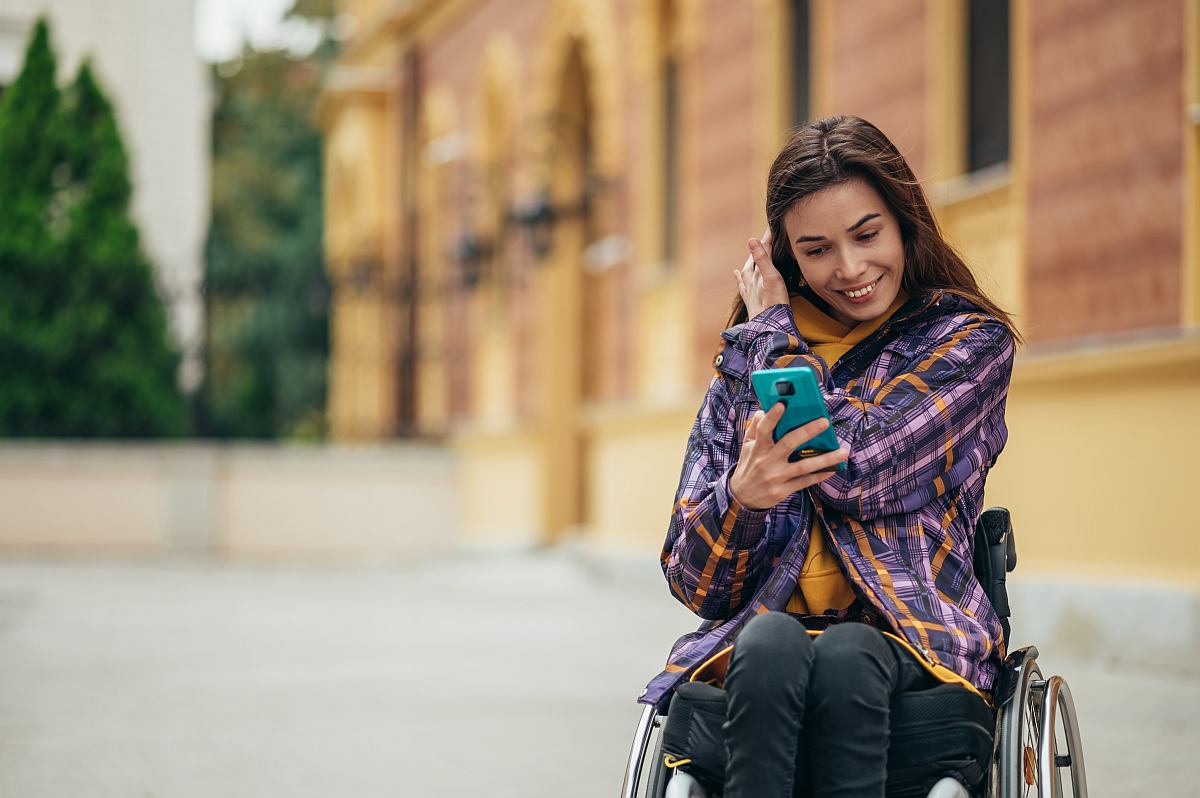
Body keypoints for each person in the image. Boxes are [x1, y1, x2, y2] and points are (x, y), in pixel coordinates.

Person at [639, 115, 1021, 798]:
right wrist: (742, 503)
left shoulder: (965, 345)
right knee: (769, 643)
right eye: (816, 250)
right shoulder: (743, 369)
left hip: (915, 637)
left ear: (905, 223)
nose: (849, 269)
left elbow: (861, 468)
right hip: (765, 641)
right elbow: (694, 581)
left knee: (847, 654)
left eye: (867, 235)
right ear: (786, 259)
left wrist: (773, 334)